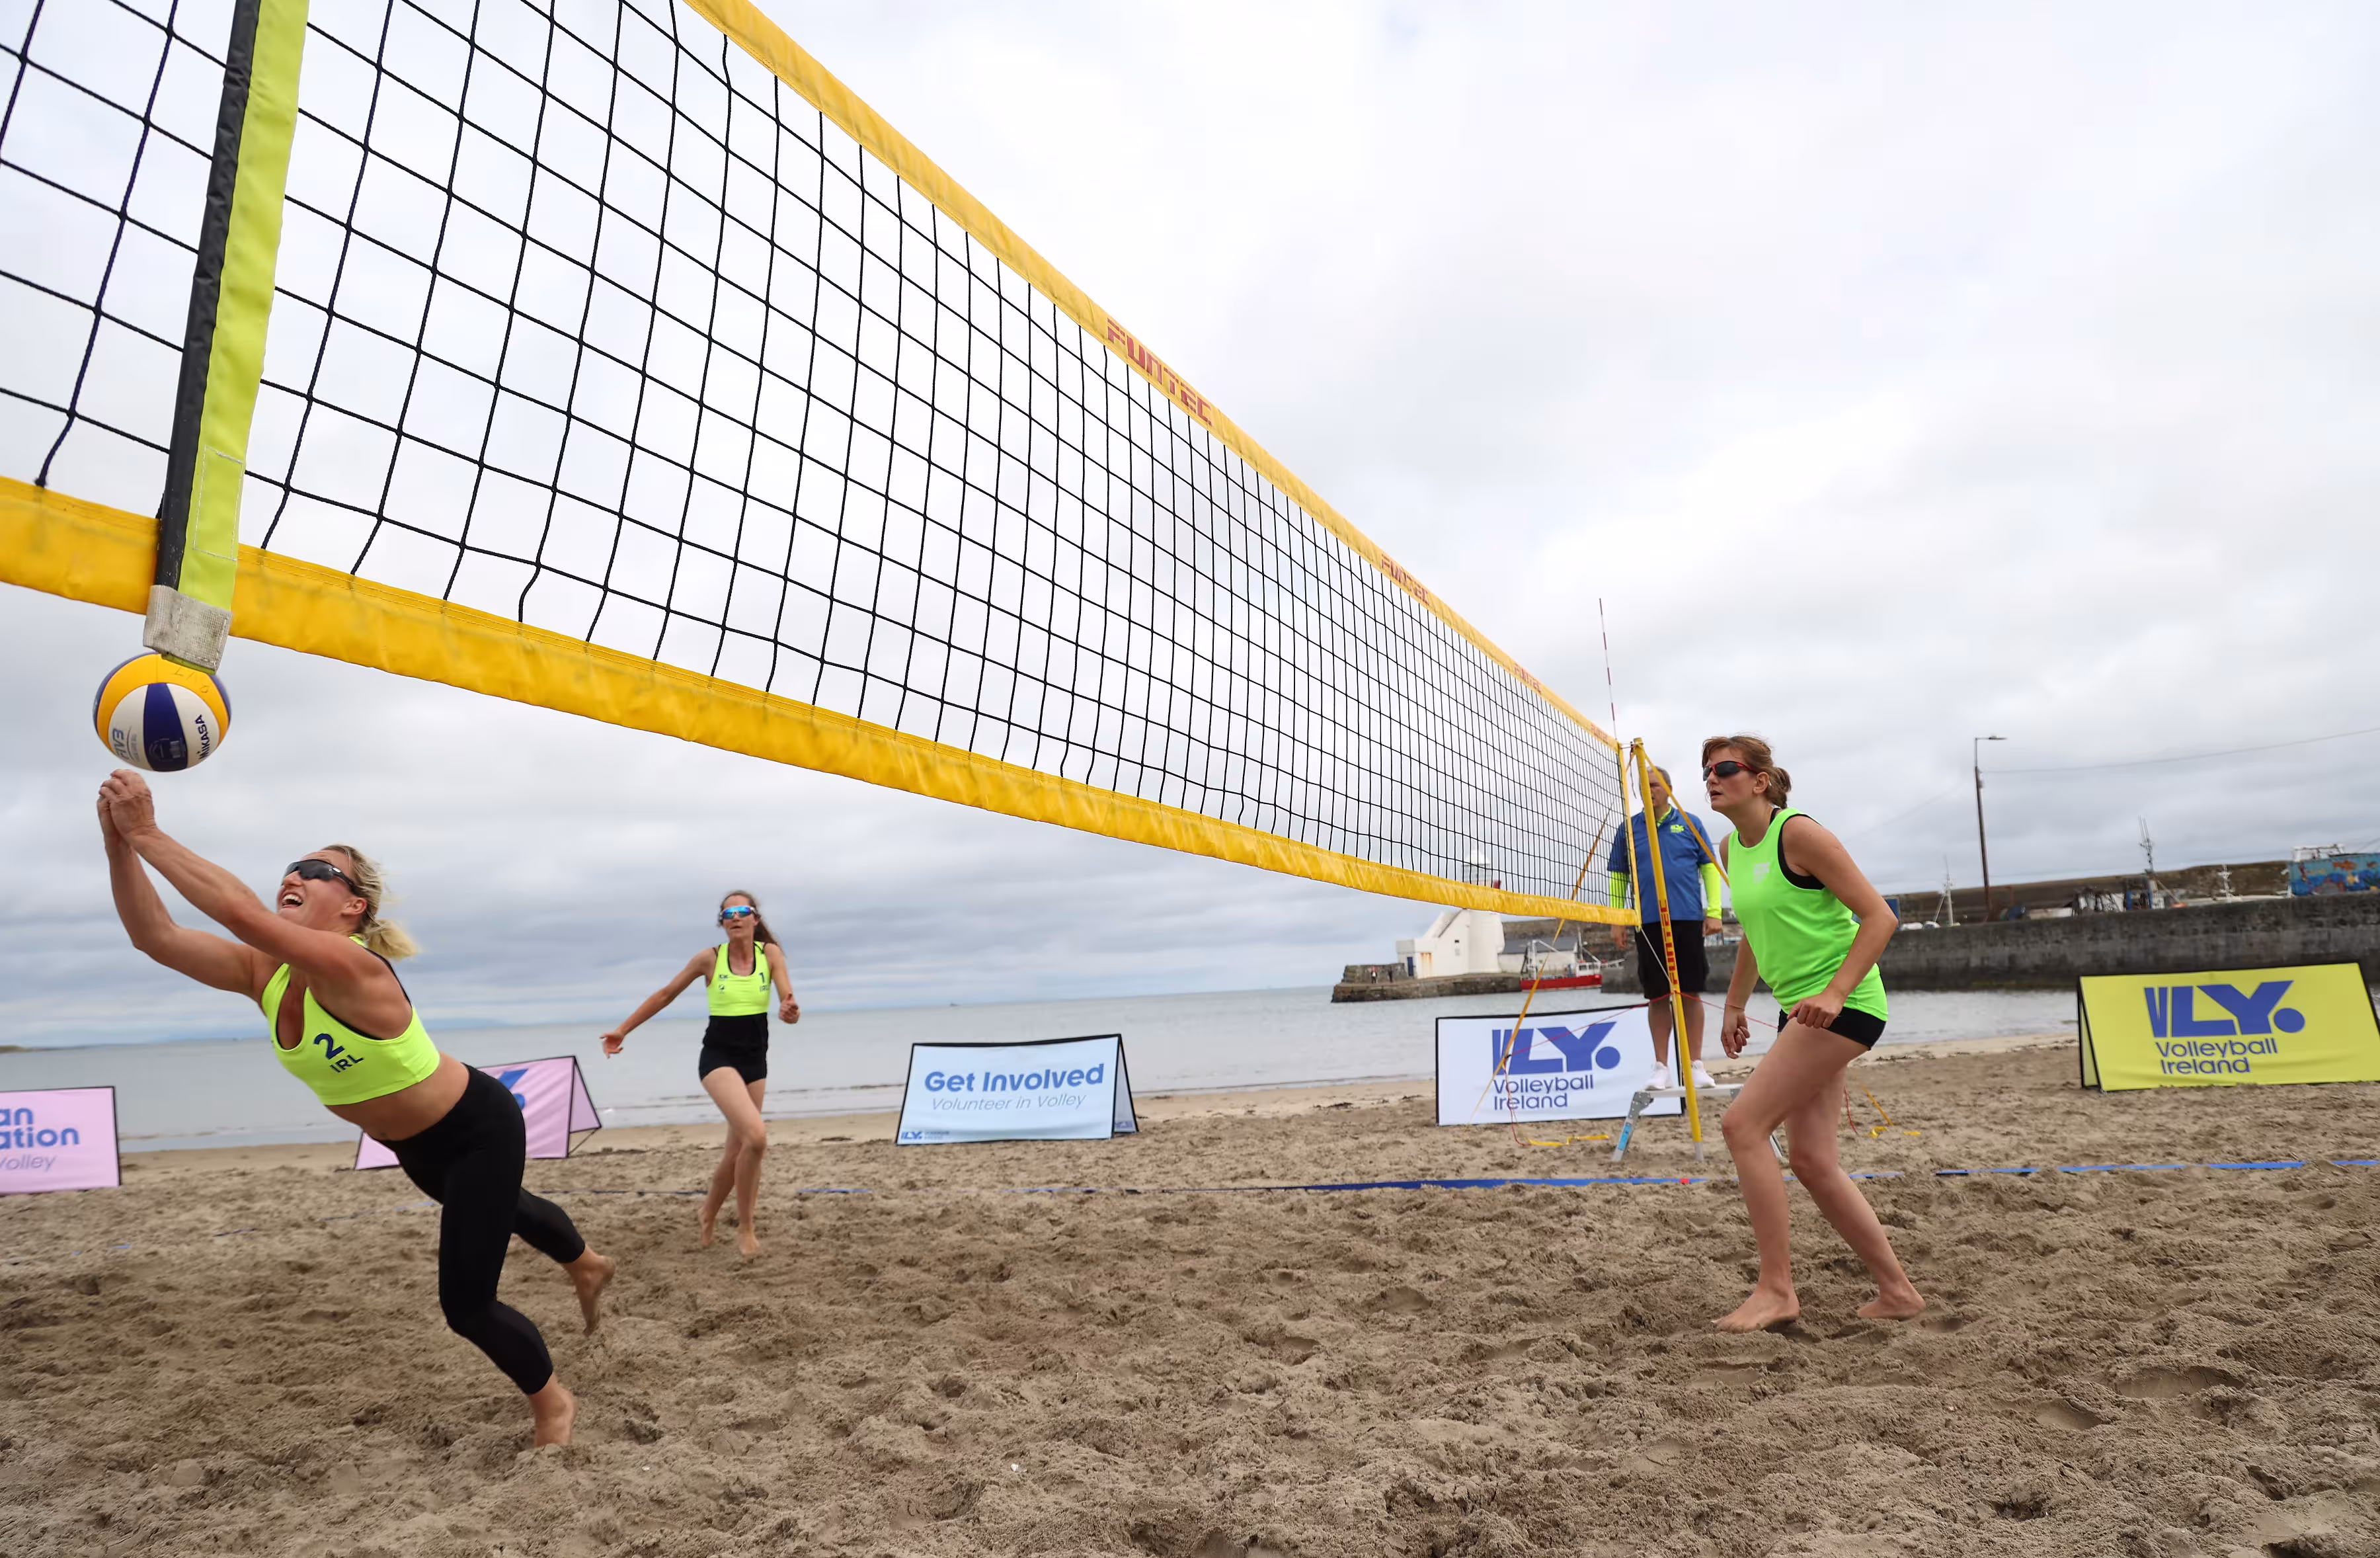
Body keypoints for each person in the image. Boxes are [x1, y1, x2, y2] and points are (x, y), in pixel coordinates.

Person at [95, 770, 614, 1446]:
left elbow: (240, 913)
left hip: (477, 1126)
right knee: (506, 1209)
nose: (296, 874)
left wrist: (147, 831)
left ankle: (553, 1404)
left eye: (318, 870)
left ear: (354, 908)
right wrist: (118, 846)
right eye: (293, 867)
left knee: (466, 1303)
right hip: (415, 1146)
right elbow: (155, 937)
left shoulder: (356, 968)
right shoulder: (265, 974)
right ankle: (588, 1264)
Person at [1701, 735, 1924, 1332]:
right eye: (1708, 771)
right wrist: (1734, 1002)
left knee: (1742, 1125)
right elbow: (1755, 928)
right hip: (1800, 1011)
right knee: (1811, 1159)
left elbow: (1881, 917)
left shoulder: (1800, 834)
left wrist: (1835, 992)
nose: (1712, 778)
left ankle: (1777, 1290)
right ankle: (1898, 1292)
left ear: (1762, 780)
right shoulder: (1731, 847)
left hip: (1843, 1005)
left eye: (1725, 768)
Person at [600, 892, 798, 1255]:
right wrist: (622, 1030)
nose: (734, 917)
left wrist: (790, 1009)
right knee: (756, 1138)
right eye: (727, 913)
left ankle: (707, 1212)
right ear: (722, 923)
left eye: (742, 911)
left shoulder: (769, 954)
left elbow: (787, 997)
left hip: (756, 1061)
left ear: (755, 919)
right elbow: (665, 995)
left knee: (737, 1150)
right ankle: (746, 1229)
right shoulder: (709, 959)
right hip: (718, 1059)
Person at [1606, 764, 1727, 1092]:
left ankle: (1696, 1065)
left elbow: (1709, 869)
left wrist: (1713, 912)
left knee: (1690, 992)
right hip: (1647, 922)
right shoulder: (1628, 830)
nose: (1651, 790)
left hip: (1686, 917)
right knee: (1658, 995)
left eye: (1656, 785)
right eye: (1644, 786)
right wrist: (1618, 919)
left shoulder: (1689, 823)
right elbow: (1618, 877)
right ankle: (1661, 1066)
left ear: (1668, 789)